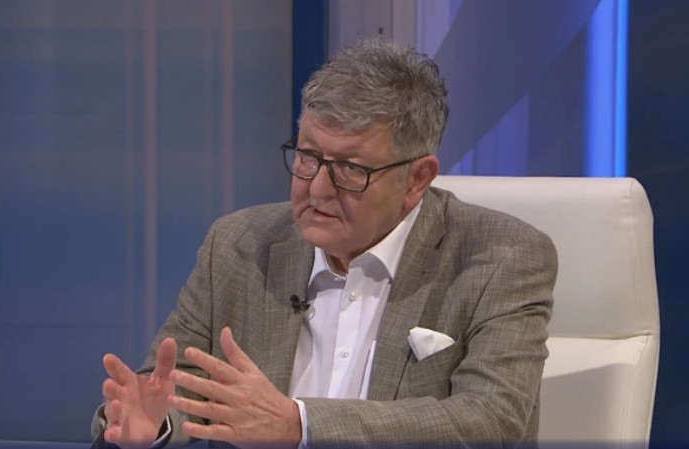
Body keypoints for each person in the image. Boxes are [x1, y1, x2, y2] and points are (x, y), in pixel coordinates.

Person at [91, 38, 557, 449]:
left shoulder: (499, 257)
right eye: (308, 156)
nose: (317, 188)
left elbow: (491, 419)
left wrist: (301, 426)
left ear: (418, 179)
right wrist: (153, 425)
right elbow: (172, 390)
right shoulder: (236, 246)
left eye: (351, 169)